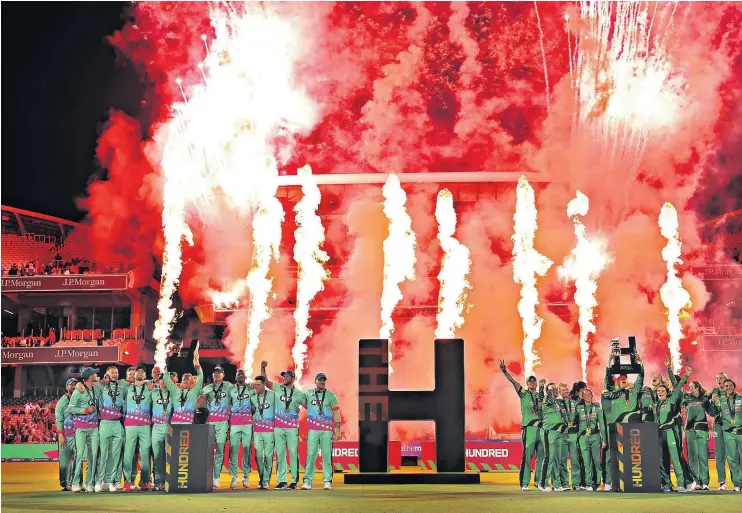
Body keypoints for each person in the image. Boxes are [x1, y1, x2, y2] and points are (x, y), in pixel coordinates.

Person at [600, 352, 644, 491]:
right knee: (610, 456)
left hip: (630, 428)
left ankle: (629, 482)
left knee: (630, 457)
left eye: (626, 378)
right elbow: (607, 379)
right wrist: (609, 361)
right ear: (617, 381)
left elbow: (641, 378)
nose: (624, 380)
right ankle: (608, 482)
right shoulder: (613, 392)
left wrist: (641, 364)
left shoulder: (634, 390)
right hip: (614, 428)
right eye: (621, 378)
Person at [499, 360, 545, 491]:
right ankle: (524, 483)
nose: (532, 383)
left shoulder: (540, 396)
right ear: (527, 383)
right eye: (530, 382)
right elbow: (513, 381)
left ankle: (538, 483)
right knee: (528, 456)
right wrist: (504, 371)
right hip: (529, 428)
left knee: (541, 456)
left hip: (540, 429)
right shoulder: (524, 394)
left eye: (534, 381)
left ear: (536, 383)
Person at [262, 361, 306, 490]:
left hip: (292, 428)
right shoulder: (277, 388)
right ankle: (282, 481)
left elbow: (308, 406)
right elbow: (265, 381)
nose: (284, 378)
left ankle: (293, 481)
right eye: (284, 376)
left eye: (287, 376)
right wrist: (263, 368)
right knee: (280, 454)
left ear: (293, 378)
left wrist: (299, 410)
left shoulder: (299, 394)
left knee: (293, 453)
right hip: (278, 427)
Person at [301, 373, 341, 491]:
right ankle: (307, 481)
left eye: (324, 380)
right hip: (313, 430)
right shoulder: (308, 394)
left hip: (327, 431)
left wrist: (338, 429)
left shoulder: (330, 395)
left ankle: (327, 481)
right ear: (315, 381)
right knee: (311, 456)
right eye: (320, 380)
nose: (322, 382)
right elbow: (303, 404)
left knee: (327, 456)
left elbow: (336, 412)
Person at [655, 365, 691, 492]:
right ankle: (667, 484)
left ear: (667, 392)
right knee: (662, 460)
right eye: (658, 391)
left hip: (670, 432)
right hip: (660, 435)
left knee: (675, 458)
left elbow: (678, 386)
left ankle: (681, 483)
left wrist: (684, 374)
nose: (660, 392)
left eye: (662, 391)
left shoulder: (672, 399)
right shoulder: (656, 405)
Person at [93, 366, 127, 492]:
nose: (114, 374)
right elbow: (88, 384)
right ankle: (98, 481)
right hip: (104, 423)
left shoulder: (123, 385)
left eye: (116, 372)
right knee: (103, 454)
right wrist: (102, 379)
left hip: (117, 423)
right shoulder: (101, 385)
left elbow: (137, 382)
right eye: (112, 373)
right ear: (107, 374)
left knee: (115, 455)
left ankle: (109, 481)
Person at [67, 367, 101, 492]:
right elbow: (71, 409)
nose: (97, 376)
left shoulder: (96, 387)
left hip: (93, 428)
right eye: (94, 374)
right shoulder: (78, 391)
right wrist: (85, 410)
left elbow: (107, 381)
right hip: (81, 428)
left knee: (94, 455)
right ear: (90, 377)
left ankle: (89, 483)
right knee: (80, 455)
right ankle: (75, 482)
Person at [677, 379, 713, 491]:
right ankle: (697, 482)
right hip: (689, 430)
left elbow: (711, 413)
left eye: (692, 387)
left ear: (697, 388)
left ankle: (705, 482)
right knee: (693, 457)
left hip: (702, 429)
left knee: (703, 456)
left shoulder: (705, 398)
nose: (689, 388)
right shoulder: (686, 398)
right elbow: (677, 387)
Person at [123, 365, 153, 491]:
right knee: (128, 454)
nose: (140, 373)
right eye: (137, 371)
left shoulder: (150, 389)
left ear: (145, 376)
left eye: (142, 371)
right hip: (130, 425)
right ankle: (127, 482)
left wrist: (151, 383)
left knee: (145, 455)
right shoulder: (127, 388)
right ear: (133, 375)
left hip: (145, 426)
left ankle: (145, 481)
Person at [201, 365, 232, 489]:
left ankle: (216, 477)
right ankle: (205, 475)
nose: (217, 374)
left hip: (223, 422)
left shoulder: (229, 386)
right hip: (210, 422)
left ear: (223, 375)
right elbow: (199, 400)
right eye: (214, 373)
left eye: (219, 372)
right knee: (207, 450)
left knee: (220, 449)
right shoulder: (207, 388)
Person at [710, 379, 742, 492]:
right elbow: (713, 413)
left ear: (734, 386)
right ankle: (737, 484)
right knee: (732, 458)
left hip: (740, 431)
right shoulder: (721, 400)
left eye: (730, 385)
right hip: (727, 432)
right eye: (726, 386)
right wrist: (713, 402)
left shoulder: (740, 399)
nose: (728, 387)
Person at [228, 369, 255, 489]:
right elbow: (228, 405)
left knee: (246, 448)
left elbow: (256, 402)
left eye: (242, 375)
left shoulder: (250, 388)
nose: (240, 376)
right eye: (238, 375)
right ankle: (234, 477)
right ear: (235, 377)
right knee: (233, 449)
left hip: (247, 422)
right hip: (234, 422)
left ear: (245, 377)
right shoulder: (231, 389)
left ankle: (246, 477)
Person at [163, 344, 203, 424]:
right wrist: (168, 362)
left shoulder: (195, 392)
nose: (186, 377)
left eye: (189, 377)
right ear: (181, 381)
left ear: (192, 383)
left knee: (186, 436)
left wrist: (196, 361)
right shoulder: (175, 390)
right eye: (184, 377)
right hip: (174, 423)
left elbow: (200, 376)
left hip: (188, 423)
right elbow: (166, 378)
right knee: (171, 436)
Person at [574, 389, 605, 491]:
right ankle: (589, 484)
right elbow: (574, 422)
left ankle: (598, 483)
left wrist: (604, 439)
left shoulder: (597, 408)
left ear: (592, 395)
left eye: (589, 394)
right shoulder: (578, 408)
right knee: (587, 462)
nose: (587, 396)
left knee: (596, 461)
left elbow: (602, 425)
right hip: (583, 437)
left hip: (595, 436)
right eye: (585, 395)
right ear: (582, 397)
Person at [539, 383, 567, 492]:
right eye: (554, 389)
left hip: (558, 432)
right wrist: (549, 388)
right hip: (549, 431)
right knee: (549, 457)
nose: (556, 390)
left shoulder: (557, 402)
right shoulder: (547, 399)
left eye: (556, 389)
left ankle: (556, 484)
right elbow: (547, 396)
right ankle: (543, 483)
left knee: (557, 459)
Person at [250, 375, 277, 490]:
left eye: (258, 384)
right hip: (257, 431)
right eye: (254, 384)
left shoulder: (272, 395)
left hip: (270, 431)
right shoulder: (252, 396)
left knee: (268, 456)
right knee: (257, 456)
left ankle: (265, 480)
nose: (255, 386)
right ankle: (262, 478)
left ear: (264, 385)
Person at [151, 372, 176, 491]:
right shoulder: (153, 393)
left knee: (168, 456)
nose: (165, 383)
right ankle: (158, 481)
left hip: (169, 427)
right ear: (158, 381)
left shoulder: (174, 394)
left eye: (167, 381)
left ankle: (168, 481)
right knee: (157, 456)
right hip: (156, 426)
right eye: (162, 380)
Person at [55, 378, 77, 491]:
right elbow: (59, 420)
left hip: (78, 435)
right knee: (65, 461)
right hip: (65, 435)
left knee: (78, 460)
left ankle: (77, 483)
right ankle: (66, 483)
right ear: (66, 387)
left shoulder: (81, 398)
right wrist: (61, 435)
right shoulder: (62, 402)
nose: (73, 387)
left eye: (75, 385)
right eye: (71, 385)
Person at [559, 383, 581, 490]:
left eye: (567, 389)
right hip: (562, 434)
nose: (566, 391)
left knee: (575, 460)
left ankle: (576, 484)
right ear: (559, 392)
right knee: (562, 460)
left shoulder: (575, 403)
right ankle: (565, 483)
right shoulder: (558, 404)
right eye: (563, 390)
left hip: (573, 433)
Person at [711, 371, 730, 490]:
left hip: (730, 427)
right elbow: (711, 412)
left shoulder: (731, 393)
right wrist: (712, 401)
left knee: (734, 455)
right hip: (718, 424)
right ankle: (722, 483)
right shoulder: (714, 393)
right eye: (717, 378)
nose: (719, 380)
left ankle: (738, 482)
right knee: (719, 455)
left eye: (721, 378)